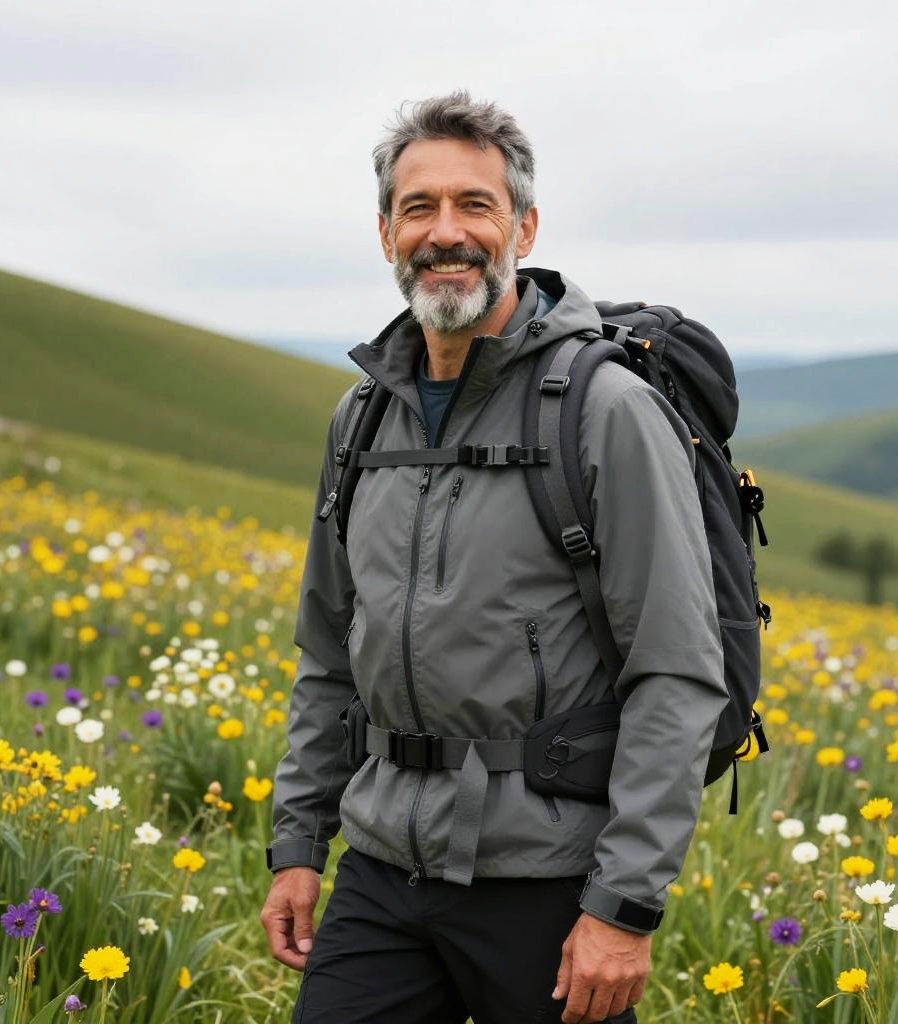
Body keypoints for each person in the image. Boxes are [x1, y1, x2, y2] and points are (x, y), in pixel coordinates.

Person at [259, 90, 728, 1024]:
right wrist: (300, 843)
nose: (447, 232)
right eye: (419, 207)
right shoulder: (362, 419)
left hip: (547, 883)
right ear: (386, 231)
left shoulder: (603, 411)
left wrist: (623, 908)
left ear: (524, 223)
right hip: (383, 873)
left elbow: (676, 673)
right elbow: (327, 655)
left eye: (475, 205)